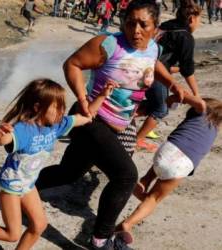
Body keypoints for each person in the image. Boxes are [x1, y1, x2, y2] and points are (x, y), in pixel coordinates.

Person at [21, 1, 186, 249]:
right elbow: (72, 64)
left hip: (117, 124)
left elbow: (154, 63)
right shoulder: (109, 44)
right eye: (131, 23)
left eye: (144, 24)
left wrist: (172, 84)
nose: (136, 30)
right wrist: (82, 97)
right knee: (126, 175)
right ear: (123, 23)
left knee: (70, 172)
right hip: (92, 119)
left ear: (155, 27)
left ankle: (21, 187)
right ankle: (100, 240)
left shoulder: (152, 48)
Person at [0, 79, 115, 249]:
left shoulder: (56, 125)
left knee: (39, 225)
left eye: (62, 106)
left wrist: (102, 95)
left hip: (28, 186)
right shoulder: (24, 129)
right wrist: (1, 136)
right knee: (12, 234)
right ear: (37, 107)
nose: (62, 110)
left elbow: (86, 117)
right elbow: (6, 139)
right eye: (56, 106)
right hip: (10, 187)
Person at [115, 96, 221, 244]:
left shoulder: (197, 114)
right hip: (183, 163)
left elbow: (188, 99)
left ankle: (144, 181)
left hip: (166, 151)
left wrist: (171, 99)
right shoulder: (213, 128)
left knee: (164, 164)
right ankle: (128, 224)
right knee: (154, 199)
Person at [136, 0, 202, 152]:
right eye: (199, 20)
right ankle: (137, 140)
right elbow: (188, 70)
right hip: (154, 72)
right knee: (161, 109)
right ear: (192, 19)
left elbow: (164, 56)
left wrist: (176, 69)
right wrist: (196, 95)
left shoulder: (167, 26)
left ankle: (122, 117)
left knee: (154, 104)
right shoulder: (185, 37)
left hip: (141, 64)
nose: (198, 24)